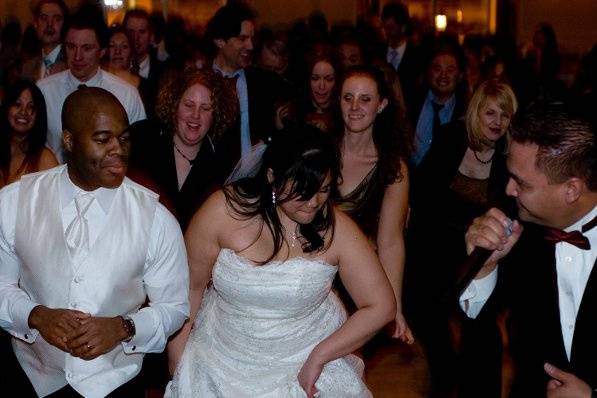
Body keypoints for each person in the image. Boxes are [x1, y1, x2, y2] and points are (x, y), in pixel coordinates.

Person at [166, 125, 396, 397]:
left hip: (302, 362)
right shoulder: (223, 212)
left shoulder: (337, 230)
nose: (313, 203)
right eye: (303, 191)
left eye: (323, 190)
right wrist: (177, 361)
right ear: (273, 177)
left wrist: (320, 355)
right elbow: (189, 288)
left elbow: (382, 306)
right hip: (220, 361)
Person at [0, 87, 189, 397]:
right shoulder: (13, 202)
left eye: (124, 138)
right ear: (70, 140)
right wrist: (35, 315)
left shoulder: (156, 219)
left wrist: (123, 327)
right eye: (103, 140)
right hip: (29, 378)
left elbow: (175, 307)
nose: (118, 150)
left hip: (116, 383)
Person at [462, 105, 597, 397]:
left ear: (572, 189)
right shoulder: (516, 224)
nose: (509, 189)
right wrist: (483, 270)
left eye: (521, 183)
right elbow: (482, 348)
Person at [406, 79, 517, 397]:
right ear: (475, 113)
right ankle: (444, 379)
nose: (497, 122)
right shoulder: (452, 138)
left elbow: (508, 216)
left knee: (481, 333)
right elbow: (422, 191)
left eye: (505, 115)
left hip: (480, 257)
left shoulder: (509, 159)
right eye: (491, 113)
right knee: (428, 321)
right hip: (434, 250)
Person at [335, 65, 413, 344]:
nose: (355, 107)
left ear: (381, 105)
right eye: (348, 98)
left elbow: (391, 242)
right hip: (312, 280)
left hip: (358, 289)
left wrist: (395, 308)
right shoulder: (320, 153)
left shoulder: (393, 169)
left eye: (365, 99)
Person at [129, 67, 238, 231]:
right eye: (188, 105)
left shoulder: (219, 165)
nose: (195, 115)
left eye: (205, 108)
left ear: (216, 115)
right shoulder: (142, 137)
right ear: (174, 105)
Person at [37, 10, 146, 162]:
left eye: (87, 48)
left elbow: (140, 151)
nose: (77, 56)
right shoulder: (44, 91)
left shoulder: (126, 94)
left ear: (102, 51)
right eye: (71, 46)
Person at [411, 46, 465, 167]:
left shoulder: (466, 112)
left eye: (450, 70)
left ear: (460, 75)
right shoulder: (411, 101)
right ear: (428, 72)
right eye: (437, 69)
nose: (443, 75)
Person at [0, 80, 58, 188]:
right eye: (17, 104)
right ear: (6, 108)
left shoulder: (45, 159)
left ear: (38, 115)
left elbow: (55, 202)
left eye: (31, 107)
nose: (23, 112)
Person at [21, 0, 68, 81]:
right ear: (35, 24)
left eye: (57, 19)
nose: (49, 24)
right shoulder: (28, 68)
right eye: (44, 18)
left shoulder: (72, 65)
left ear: (65, 24)